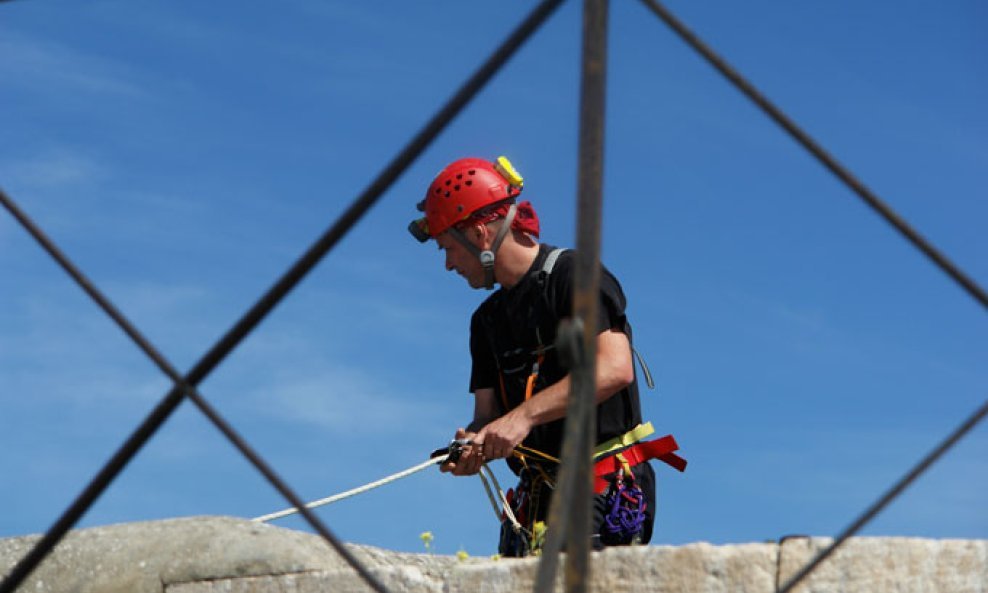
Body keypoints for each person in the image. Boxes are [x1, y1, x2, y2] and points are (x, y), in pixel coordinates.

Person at [409, 156, 685, 556]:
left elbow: (614, 368)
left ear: (481, 234)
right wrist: (474, 444)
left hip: (602, 485)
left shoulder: (574, 276)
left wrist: (521, 418)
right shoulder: (485, 322)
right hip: (534, 499)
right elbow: (488, 415)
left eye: (449, 247)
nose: (448, 263)